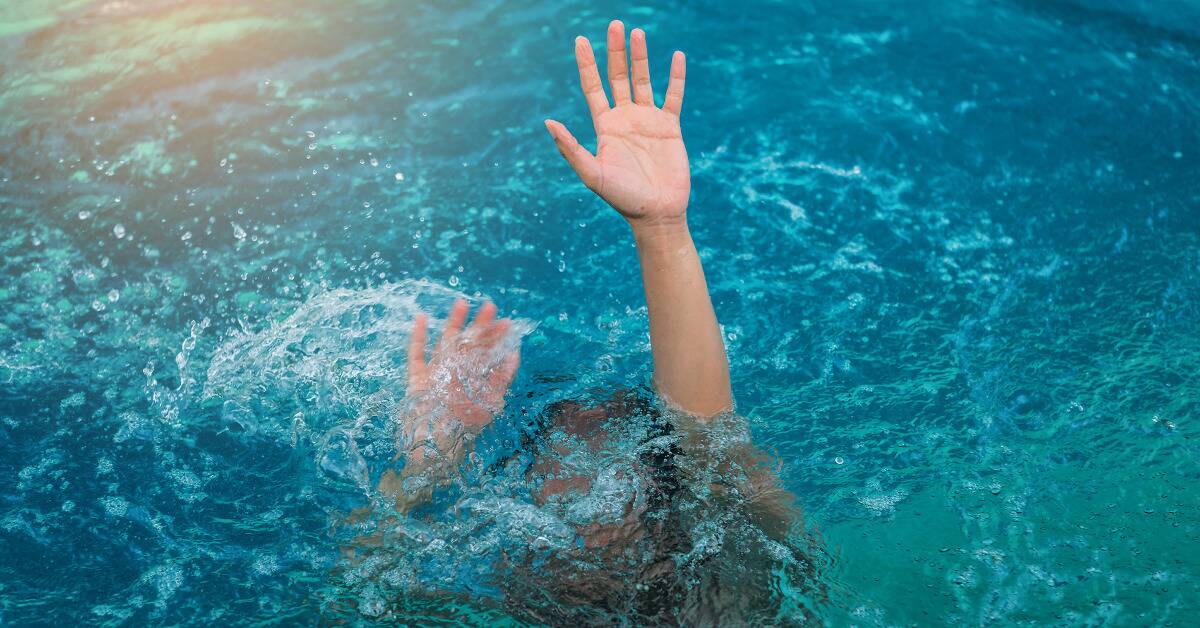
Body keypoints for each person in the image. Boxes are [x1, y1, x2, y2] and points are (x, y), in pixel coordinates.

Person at [365, 20, 822, 624]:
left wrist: (662, 231)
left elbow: (710, 435)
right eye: (555, 466)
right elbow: (354, 599)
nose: (571, 494)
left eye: (599, 467)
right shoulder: (503, 597)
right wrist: (424, 471)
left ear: (666, 504)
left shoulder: (729, 589)